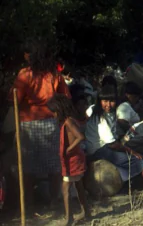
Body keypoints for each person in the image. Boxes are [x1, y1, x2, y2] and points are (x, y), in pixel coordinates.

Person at [9, 42, 71, 206]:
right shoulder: (54, 75)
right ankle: (54, 200)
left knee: (27, 166)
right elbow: (65, 97)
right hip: (51, 123)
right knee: (54, 165)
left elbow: (13, 98)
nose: (25, 56)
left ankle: (28, 203)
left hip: (29, 124)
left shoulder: (25, 74)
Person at [47, 95, 91, 225]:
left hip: (73, 160)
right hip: (73, 159)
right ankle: (86, 211)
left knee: (65, 188)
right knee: (79, 185)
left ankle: (69, 218)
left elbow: (80, 137)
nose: (53, 115)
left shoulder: (69, 122)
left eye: (54, 112)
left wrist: (68, 150)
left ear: (59, 110)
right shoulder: (68, 121)